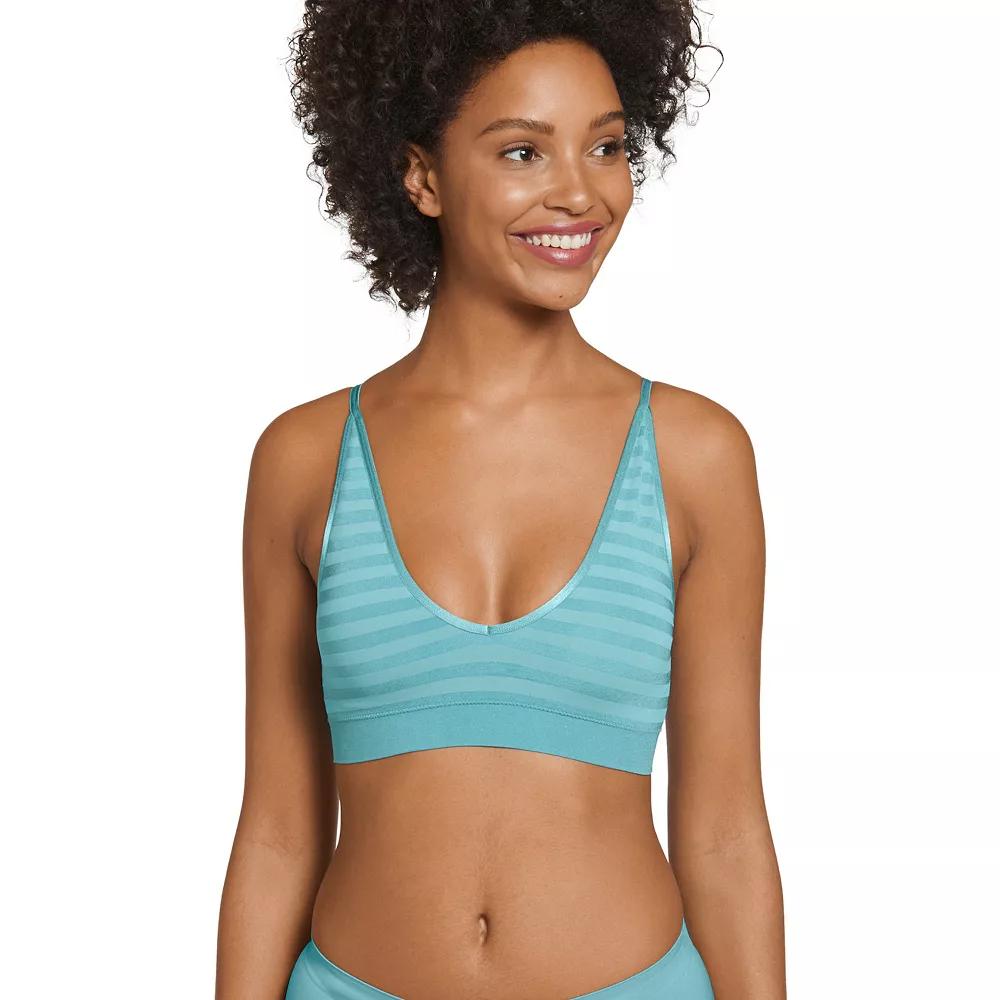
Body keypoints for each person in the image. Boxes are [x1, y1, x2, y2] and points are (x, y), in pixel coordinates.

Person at [216, 2, 785, 998]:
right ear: (422, 177)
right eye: (524, 152)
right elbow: (277, 830)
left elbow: (725, 831)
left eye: (606, 147)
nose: (581, 192)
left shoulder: (695, 456)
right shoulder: (305, 461)